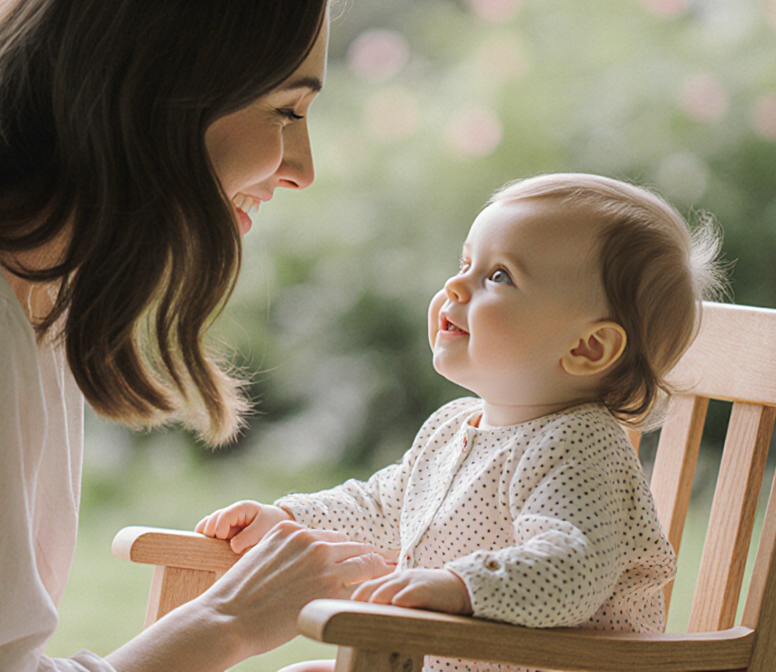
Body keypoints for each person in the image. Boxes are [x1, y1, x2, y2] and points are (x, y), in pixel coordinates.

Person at [0, 2, 395, 671]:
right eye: (286, 111)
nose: (301, 168)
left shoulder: (10, 293)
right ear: (159, 96)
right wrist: (227, 622)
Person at [197, 173, 726, 672]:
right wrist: (289, 518)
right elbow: (384, 506)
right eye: (465, 263)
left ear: (588, 346)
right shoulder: (454, 426)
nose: (454, 285)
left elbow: (573, 569)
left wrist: (457, 586)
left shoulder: (580, 446)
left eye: (499, 276)